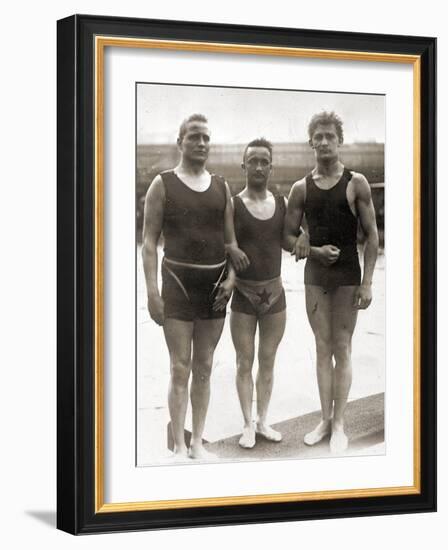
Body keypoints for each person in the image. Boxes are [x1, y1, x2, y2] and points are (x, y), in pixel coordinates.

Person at [141, 114, 248, 461]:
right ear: (180, 142)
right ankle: (179, 447)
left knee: (204, 367)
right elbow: (148, 244)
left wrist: (232, 279)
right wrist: (152, 293)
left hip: (215, 287)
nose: (201, 143)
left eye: (206, 138)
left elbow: (231, 242)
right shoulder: (163, 183)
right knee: (179, 368)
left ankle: (198, 443)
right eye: (194, 138)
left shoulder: (221, 187)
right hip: (176, 285)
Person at [284, 111, 379, 453]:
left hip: (348, 275)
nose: (324, 142)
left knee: (343, 346)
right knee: (322, 349)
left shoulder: (356, 183)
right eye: (318, 137)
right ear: (310, 142)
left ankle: (340, 424)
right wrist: (310, 249)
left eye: (330, 136)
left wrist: (368, 282)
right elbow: (287, 236)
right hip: (316, 276)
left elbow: (371, 237)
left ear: (339, 141)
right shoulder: (300, 188)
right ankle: (325, 419)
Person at [219, 138, 287, 449]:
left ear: (272, 167)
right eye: (253, 161)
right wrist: (231, 264)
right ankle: (247, 424)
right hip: (244, 295)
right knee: (243, 362)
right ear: (244, 165)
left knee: (269, 360)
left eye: (264, 161)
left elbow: (290, 239)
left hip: (275, 293)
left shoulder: (282, 203)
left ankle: (263, 421)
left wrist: (306, 241)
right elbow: (224, 246)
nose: (259, 166)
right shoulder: (232, 204)